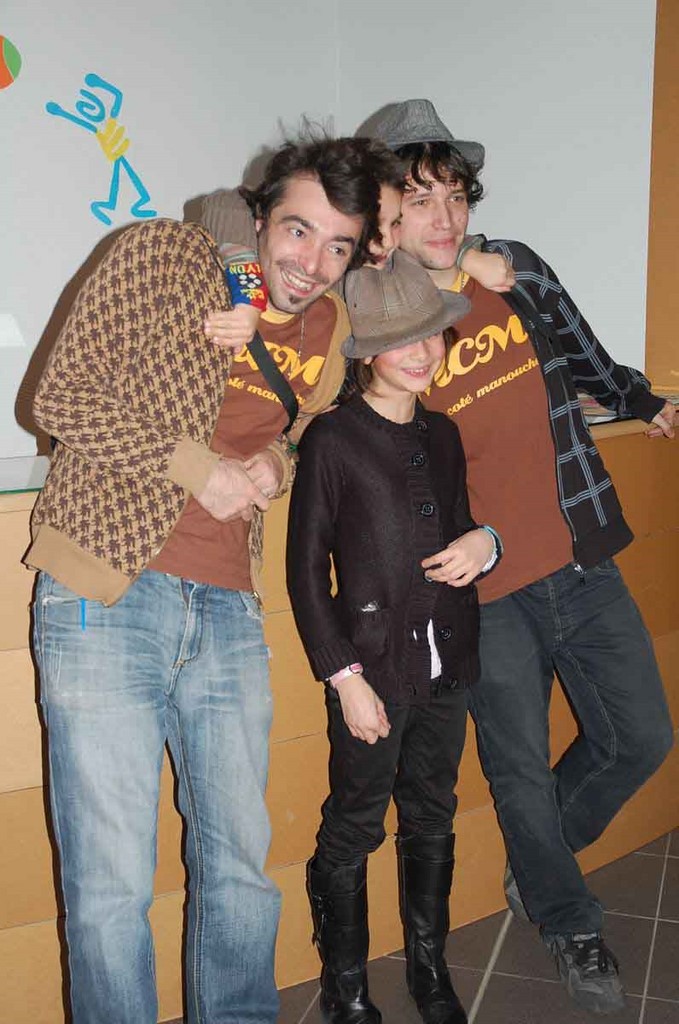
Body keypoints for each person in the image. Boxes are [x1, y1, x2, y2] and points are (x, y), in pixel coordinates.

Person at [26, 134, 398, 1024]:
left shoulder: (328, 327)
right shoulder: (164, 255)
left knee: (239, 869)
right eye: (297, 230)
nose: (310, 262)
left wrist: (275, 463)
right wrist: (197, 468)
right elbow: (58, 396)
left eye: (336, 245)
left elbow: (296, 433)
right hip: (106, 589)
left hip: (227, 604)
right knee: (112, 882)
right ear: (259, 216)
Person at [366, 98, 676, 1014]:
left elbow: (582, 354)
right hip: (480, 585)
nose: (444, 217)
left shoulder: (516, 268)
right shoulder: (370, 310)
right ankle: (567, 920)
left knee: (642, 736)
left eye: (454, 197)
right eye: (419, 200)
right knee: (516, 768)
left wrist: (641, 399)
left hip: (577, 552)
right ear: (384, 212)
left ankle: (542, 864)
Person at [285, 251, 501, 1024]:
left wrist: (486, 543)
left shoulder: (443, 434)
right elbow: (305, 571)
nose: (422, 352)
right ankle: (345, 990)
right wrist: (343, 678)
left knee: (432, 812)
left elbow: (461, 528)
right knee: (354, 821)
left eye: (431, 334)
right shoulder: (333, 438)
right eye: (401, 339)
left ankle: (429, 972)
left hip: (448, 664)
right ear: (367, 351)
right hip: (371, 673)